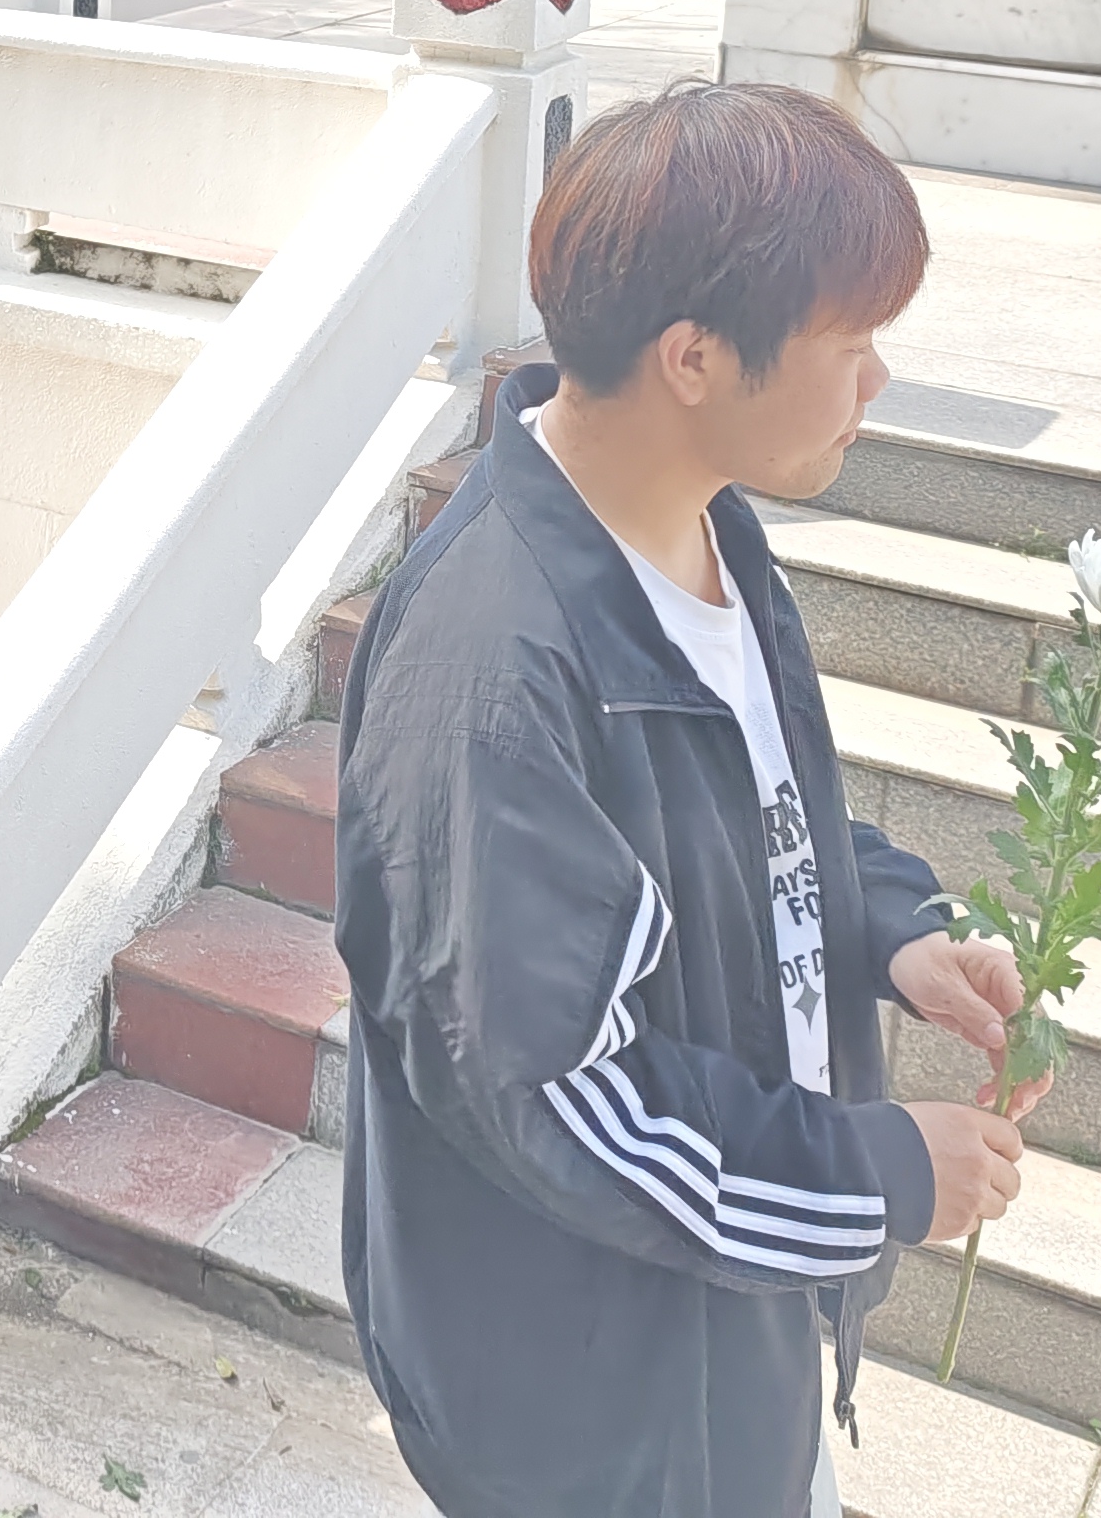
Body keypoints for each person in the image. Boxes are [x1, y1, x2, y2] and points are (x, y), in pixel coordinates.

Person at [332, 85, 1036, 1518]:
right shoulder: (494, 670)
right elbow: (552, 1094)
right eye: (850, 341)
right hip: (593, 1401)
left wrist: (891, 929)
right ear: (696, 356)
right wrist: (877, 1175)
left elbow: (753, 810)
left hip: (725, 1332)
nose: (877, 382)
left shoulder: (708, 532)